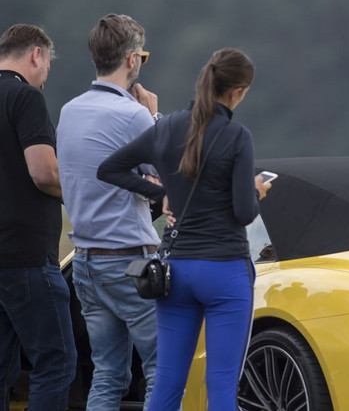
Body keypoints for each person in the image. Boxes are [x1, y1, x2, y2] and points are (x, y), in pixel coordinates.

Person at [97, 47, 270, 410]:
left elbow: (110, 169)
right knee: (221, 387)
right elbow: (243, 212)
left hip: (175, 272)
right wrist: (256, 191)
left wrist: (161, 196)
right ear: (238, 91)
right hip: (224, 272)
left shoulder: (167, 128)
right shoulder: (237, 137)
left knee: (167, 385)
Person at [57, 14, 162, 410]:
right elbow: (170, 169)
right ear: (132, 60)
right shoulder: (133, 115)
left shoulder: (70, 111)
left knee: (107, 375)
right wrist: (154, 116)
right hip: (130, 260)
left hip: (85, 261)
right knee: (162, 371)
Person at [0, 24, 77, 411]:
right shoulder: (25, 98)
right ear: (36, 55)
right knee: (56, 363)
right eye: (47, 65)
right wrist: (81, 196)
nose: (46, 76)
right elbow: (44, 172)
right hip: (26, 257)